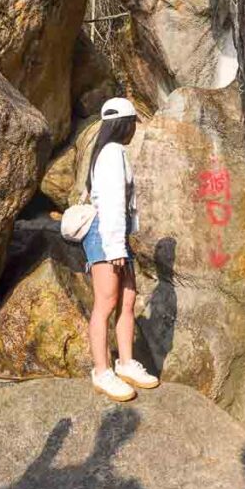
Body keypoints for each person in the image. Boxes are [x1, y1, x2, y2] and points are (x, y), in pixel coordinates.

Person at [83, 98, 159, 401]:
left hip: (115, 235)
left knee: (128, 298)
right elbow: (113, 201)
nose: (133, 130)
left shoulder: (106, 151)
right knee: (107, 303)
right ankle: (102, 371)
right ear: (124, 124)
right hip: (106, 233)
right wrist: (115, 246)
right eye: (132, 125)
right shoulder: (113, 152)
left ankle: (126, 363)